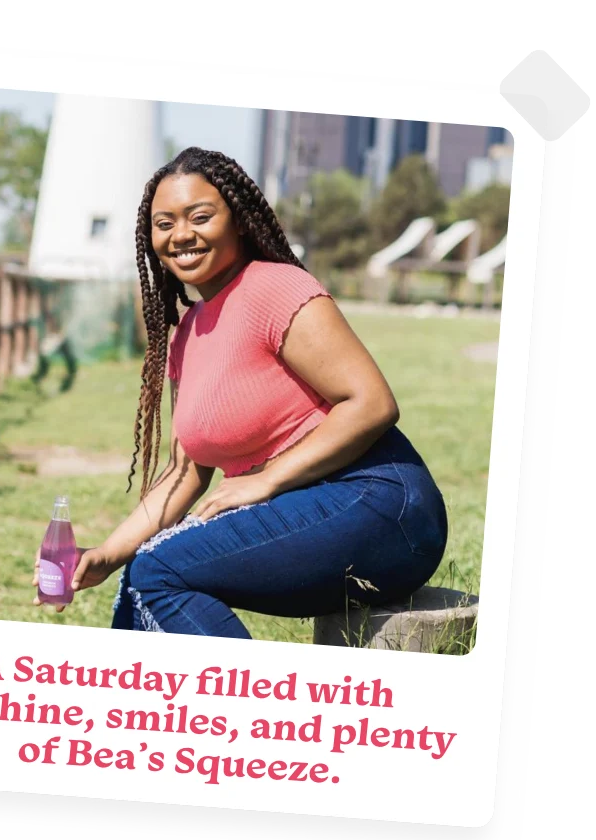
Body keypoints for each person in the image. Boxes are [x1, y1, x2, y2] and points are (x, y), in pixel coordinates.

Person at [32, 146, 448, 639]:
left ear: (240, 221)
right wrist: (107, 554)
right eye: (163, 224)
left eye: (200, 216)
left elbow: (372, 403)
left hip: (379, 502)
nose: (181, 234)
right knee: (140, 572)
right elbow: (185, 472)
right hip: (300, 510)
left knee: (157, 573)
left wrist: (267, 479)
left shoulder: (276, 287)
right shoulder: (187, 334)